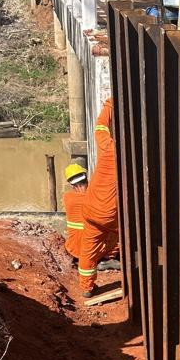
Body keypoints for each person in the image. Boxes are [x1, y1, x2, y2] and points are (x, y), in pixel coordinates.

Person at [76, 98, 120, 297]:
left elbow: (100, 128)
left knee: (88, 251)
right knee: (122, 237)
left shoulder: (108, 149)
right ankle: (114, 259)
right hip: (112, 217)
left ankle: (86, 287)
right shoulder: (133, 160)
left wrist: (110, 104)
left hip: (92, 210)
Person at [61, 162, 87, 261]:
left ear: (71, 185)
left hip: (74, 249)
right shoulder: (94, 198)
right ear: (86, 179)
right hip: (93, 250)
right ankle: (108, 257)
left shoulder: (67, 197)